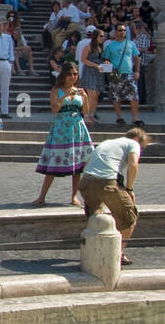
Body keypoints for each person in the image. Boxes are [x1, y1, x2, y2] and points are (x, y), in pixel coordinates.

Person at [79, 126, 151, 264]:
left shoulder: (107, 142)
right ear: (137, 139)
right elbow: (133, 164)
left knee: (95, 219)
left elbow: (86, 166)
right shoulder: (133, 143)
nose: (141, 149)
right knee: (129, 217)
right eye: (142, 147)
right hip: (106, 182)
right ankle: (117, 255)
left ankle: (94, 253)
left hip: (86, 182)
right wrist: (129, 190)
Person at [31, 62, 93, 207]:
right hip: (61, 127)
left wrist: (86, 97)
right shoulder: (56, 90)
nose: (73, 77)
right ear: (64, 75)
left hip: (77, 126)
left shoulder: (79, 91)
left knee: (77, 164)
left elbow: (86, 110)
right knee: (54, 161)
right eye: (70, 74)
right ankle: (42, 196)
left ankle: (74, 196)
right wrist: (64, 96)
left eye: (75, 74)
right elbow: (54, 109)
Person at [103, 22, 141, 126]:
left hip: (129, 73)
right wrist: (109, 70)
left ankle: (135, 117)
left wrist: (137, 71)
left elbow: (136, 57)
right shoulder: (110, 46)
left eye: (124, 30)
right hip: (116, 74)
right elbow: (105, 59)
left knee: (134, 96)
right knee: (116, 96)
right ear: (116, 32)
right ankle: (119, 117)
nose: (122, 32)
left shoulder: (131, 44)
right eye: (120, 30)